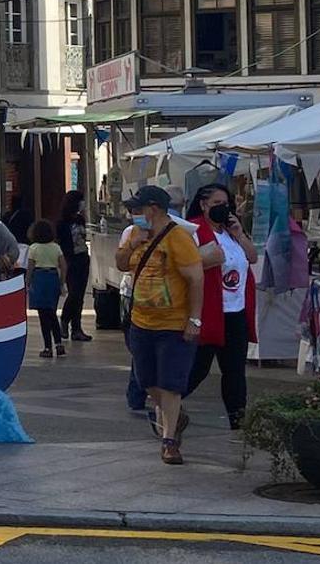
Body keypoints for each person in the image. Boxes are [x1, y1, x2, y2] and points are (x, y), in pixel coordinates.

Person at [115, 185, 203, 466]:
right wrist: (133, 243)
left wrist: (194, 319)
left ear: (153, 209)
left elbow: (196, 279)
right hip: (141, 321)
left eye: (138, 209)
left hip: (173, 323)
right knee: (146, 381)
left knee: (170, 383)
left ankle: (169, 441)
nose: (134, 214)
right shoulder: (133, 235)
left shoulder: (179, 237)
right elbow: (120, 264)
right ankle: (173, 415)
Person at [185, 183, 258, 431]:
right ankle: (167, 403)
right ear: (203, 205)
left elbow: (252, 257)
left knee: (235, 370)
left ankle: (238, 418)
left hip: (235, 312)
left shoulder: (230, 232)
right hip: (209, 311)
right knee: (198, 368)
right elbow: (185, 266)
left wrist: (239, 233)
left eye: (225, 203)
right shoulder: (194, 230)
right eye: (216, 204)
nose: (222, 208)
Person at [26, 219, 67, 358]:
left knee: (43, 316)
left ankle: (47, 347)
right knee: (52, 313)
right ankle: (59, 344)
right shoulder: (55, 247)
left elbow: (30, 267)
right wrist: (61, 283)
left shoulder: (34, 248)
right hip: (52, 278)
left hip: (39, 279)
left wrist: (27, 283)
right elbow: (63, 266)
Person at [56, 191, 93, 343]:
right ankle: (64, 321)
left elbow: (84, 237)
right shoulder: (62, 223)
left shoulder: (80, 219)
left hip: (83, 257)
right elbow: (62, 243)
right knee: (74, 293)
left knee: (80, 295)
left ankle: (76, 328)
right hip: (71, 259)